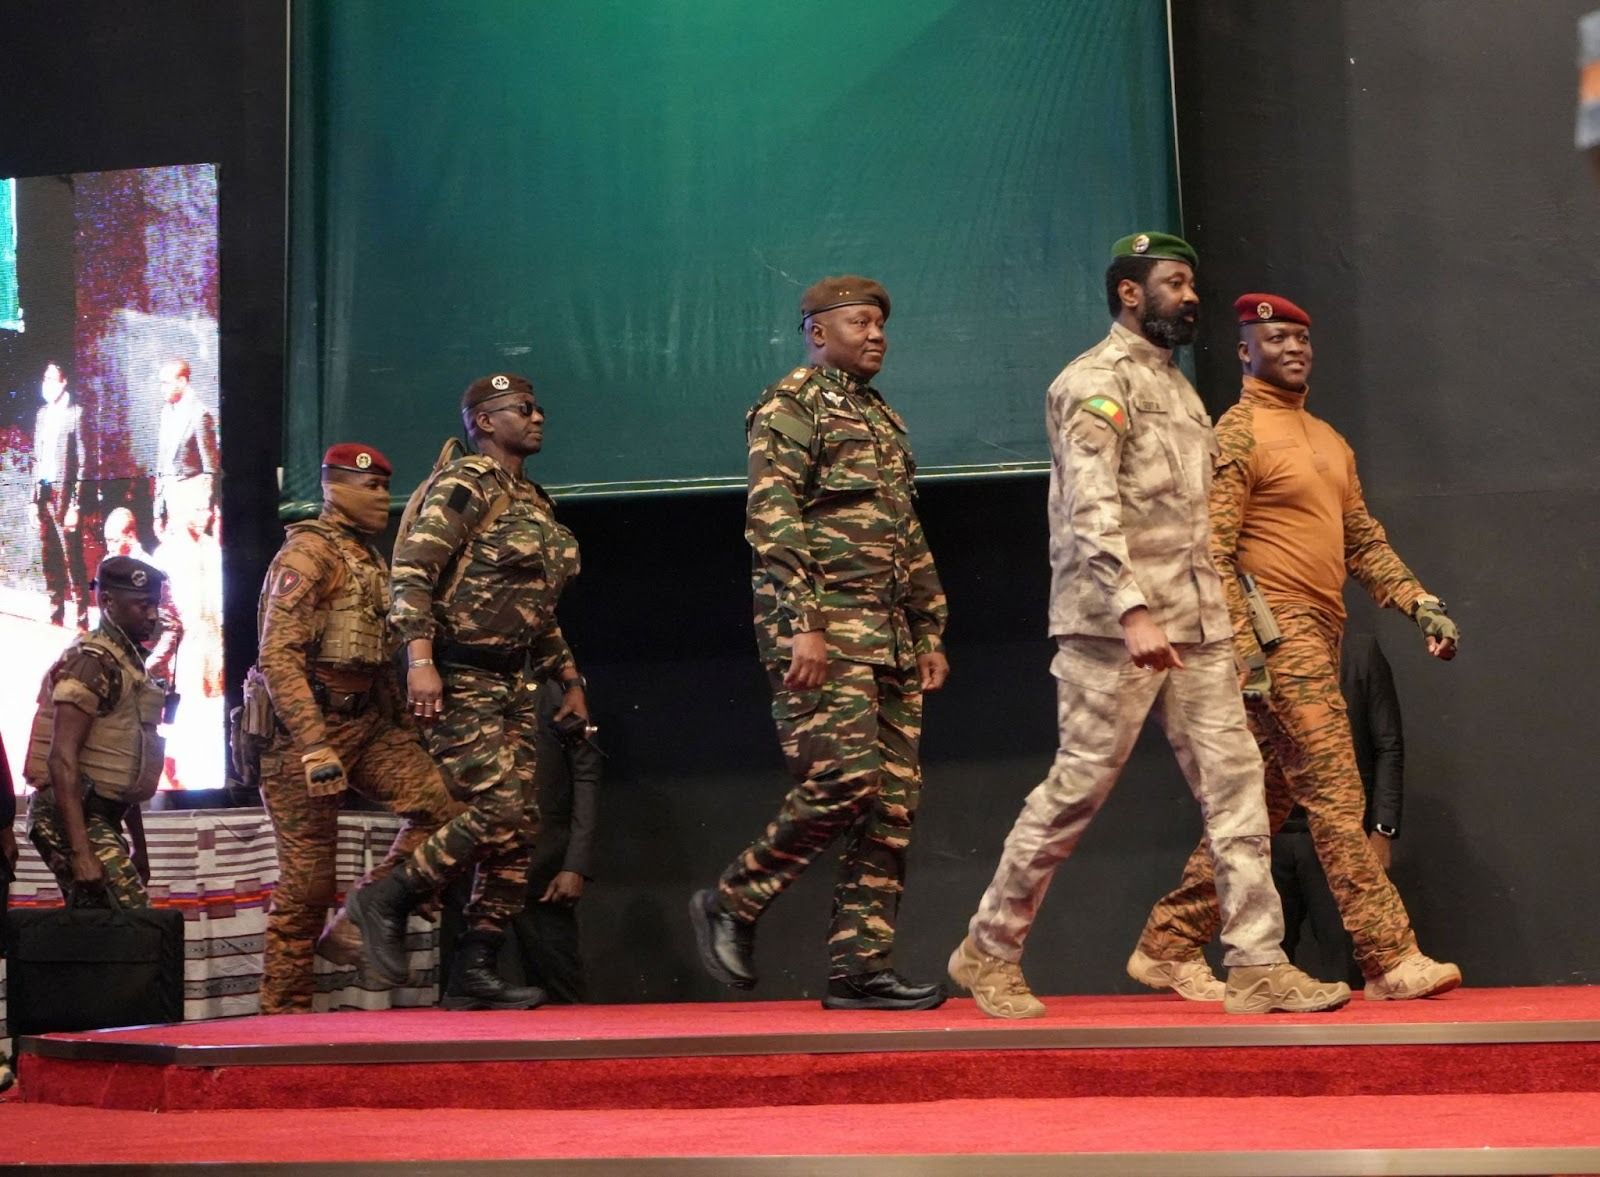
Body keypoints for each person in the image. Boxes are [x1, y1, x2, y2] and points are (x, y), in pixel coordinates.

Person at [947, 235, 1347, 1019]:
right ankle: (987, 950)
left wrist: (1216, 620)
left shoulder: (1183, 392)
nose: (1190, 295)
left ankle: (1259, 962)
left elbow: (1197, 522)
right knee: (1076, 789)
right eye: (1174, 282)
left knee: (1237, 787)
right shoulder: (1093, 383)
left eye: (1192, 281)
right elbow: (1089, 507)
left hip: (1195, 627)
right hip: (1111, 628)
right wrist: (1131, 607)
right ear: (1130, 293)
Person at [1132, 293, 1460, 1001]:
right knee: (1339, 793)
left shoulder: (1327, 440)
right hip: (1276, 636)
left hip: (1318, 631)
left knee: (1259, 804)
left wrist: (1420, 603)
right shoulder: (1238, 433)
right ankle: (1390, 957)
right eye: (1276, 336)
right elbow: (1211, 551)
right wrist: (1245, 650)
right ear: (1245, 350)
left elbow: (1363, 539)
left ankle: (1167, 941)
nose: (1294, 347)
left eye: (1301, 337)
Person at [689, 275, 951, 1012]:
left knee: (891, 806)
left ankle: (859, 969)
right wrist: (803, 621)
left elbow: (906, 533)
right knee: (846, 778)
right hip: (824, 629)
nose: (877, 335)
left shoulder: (882, 419)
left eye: (881, 325)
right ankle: (732, 900)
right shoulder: (790, 405)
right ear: (816, 331)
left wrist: (929, 626)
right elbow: (774, 520)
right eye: (861, 322)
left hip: (890, 636)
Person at [348, 375, 587, 1012]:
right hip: (457, 675)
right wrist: (419, 658)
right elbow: (413, 575)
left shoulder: (533, 499)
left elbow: (539, 608)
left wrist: (569, 678)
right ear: (483, 421)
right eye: (523, 409)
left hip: (514, 678)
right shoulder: (465, 486)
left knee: (521, 831)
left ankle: (474, 967)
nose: (538, 417)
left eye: (540, 407)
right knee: (501, 809)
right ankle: (388, 896)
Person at [251, 444, 462, 1014]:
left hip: (365, 723)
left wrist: (402, 730)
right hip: (301, 735)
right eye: (369, 487)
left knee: (443, 807)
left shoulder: (370, 560)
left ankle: (364, 911)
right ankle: (284, 1016)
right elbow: (278, 656)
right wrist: (314, 743)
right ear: (333, 487)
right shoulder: (308, 556)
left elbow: (378, 657)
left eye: (384, 487)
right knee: (307, 882)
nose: (381, 498)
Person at [439, 676, 601, 1003]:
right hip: (471, 858)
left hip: (541, 866)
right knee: (468, 990)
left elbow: (586, 775)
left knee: (559, 985)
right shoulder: (458, 682)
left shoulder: (554, 687)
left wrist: (575, 863)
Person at [23, 557, 167, 910]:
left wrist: (139, 848)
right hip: (68, 814)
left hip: (100, 814)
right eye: (142, 605)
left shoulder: (127, 662)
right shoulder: (92, 660)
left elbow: (122, 763)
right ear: (108, 603)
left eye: (155, 605)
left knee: (103, 927)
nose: (152, 615)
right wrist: (81, 853)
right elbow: (61, 758)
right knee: (129, 921)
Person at [1274, 632, 1402, 986]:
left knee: (1347, 972)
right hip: (1266, 834)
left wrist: (1382, 830)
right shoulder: (1247, 645)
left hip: (1339, 837)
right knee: (1259, 975)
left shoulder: (1359, 649)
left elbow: (1388, 746)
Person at [32, 362, 89, 631]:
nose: (47, 383)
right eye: (45, 378)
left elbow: (83, 464)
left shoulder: (76, 414)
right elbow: (37, 458)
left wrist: (75, 504)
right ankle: (55, 613)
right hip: (43, 492)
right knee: (48, 555)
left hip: (64, 495)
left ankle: (81, 619)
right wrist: (33, 500)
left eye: (52, 378)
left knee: (71, 557)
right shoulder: (42, 414)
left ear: (64, 381)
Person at [103, 507, 183, 691]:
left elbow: (173, 628)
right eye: (107, 541)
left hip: (148, 681)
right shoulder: (109, 567)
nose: (109, 547)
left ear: (130, 536)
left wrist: (147, 666)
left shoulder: (152, 571)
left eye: (114, 541)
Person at [153, 358, 220, 537]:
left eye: (166, 383)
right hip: (172, 501)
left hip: (193, 502)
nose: (162, 389)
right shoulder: (166, 413)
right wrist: (158, 512)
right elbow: (162, 465)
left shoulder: (200, 414)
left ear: (182, 382)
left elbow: (211, 469)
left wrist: (203, 510)